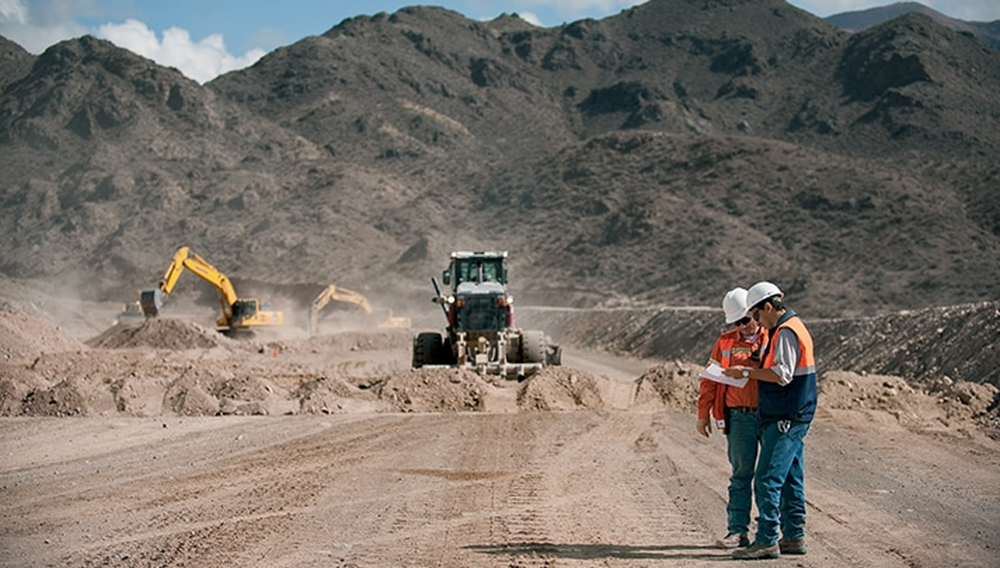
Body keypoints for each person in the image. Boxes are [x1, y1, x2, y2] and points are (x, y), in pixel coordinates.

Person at [723, 281, 817, 560]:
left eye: (757, 315)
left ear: (767, 306)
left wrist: (746, 373)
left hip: (786, 415)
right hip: (795, 412)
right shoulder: (793, 327)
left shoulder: (786, 331)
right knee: (790, 476)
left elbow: (782, 374)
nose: (757, 322)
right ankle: (794, 536)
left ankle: (766, 539)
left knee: (767, 478)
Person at [696, 287, 766, 549]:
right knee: (741, 475)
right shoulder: (725, 342)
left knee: (768, 478)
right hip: (739, 419)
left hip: (768, 417)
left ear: (755, 313)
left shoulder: (772, 337)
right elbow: (710, 381)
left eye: (746, 320)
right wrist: (703, 414)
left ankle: (769, 533)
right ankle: (737, 531)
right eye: (737, 322)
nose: (742, 326)